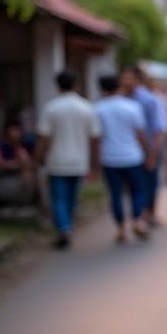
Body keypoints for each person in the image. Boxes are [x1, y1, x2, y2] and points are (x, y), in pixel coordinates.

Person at [34, 71, 101, 249]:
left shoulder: (51, 108)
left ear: (57, 86)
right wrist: (95, 163)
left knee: (58, 198)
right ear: (76, 85)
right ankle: (67, 225)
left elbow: (43, 138)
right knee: (71, 197)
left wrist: (37, 158)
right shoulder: (87, 107)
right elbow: (95, 138)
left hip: (56, 161)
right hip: (79, 161)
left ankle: (64, 228)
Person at [94, 75, 151, 243]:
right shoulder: (132, 106)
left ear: (102, 89)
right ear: (119, 86)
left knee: (115, 194)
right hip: (132, 156)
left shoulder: (98, 109)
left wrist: (95, 162)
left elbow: (96, 138)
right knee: (137, 191)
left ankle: (120, 229)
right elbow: (140, 134)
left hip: (109, 158)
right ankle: (138, 220)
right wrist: (147, 153)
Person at [119, 66, 167, 226]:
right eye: (123, 78)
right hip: (129, 150)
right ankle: (138, 215)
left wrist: (152, 154)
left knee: (150, 182)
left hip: (149, 147)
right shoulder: (120, 99)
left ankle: (149, 213)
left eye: (129, 78)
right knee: (134, 185)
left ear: (138, 80)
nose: (125, 81)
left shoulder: (149, 100)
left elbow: (158, 129)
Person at [0, 122, 36, 206]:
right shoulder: (0, 146)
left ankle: (25, 201)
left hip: (17, 172)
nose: (16, 135)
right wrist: (15, 163)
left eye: (18, 132)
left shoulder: (19, 146)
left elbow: (26, 161)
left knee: (28, 173)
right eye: (13, 132)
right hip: (4, 172)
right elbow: (0, 163)